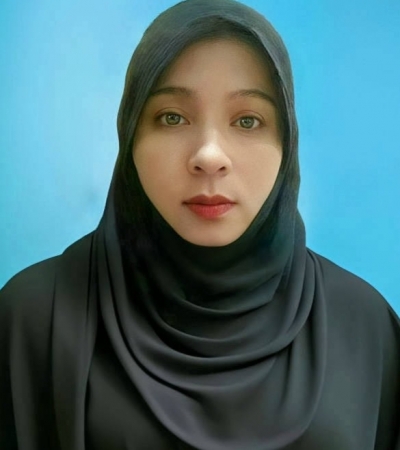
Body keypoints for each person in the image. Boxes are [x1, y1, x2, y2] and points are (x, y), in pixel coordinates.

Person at [1, 0, 399, 448]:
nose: (209, 155)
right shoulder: (35, 317)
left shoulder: (365, 327)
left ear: (287, 141)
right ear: (130, 134)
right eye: (172, 117)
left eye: (247, 120)